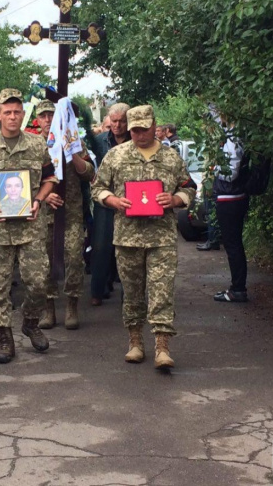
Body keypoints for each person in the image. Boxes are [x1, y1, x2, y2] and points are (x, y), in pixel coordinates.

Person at [92, 105, 195, 370]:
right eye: (134, 130)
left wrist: (175, 199)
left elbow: (190, 187)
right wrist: (113, 200)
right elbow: (97, 189)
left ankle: (162, 346)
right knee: (133, 294)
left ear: (154, 125)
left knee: (162, 291)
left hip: (161, 238)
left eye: (144, 129)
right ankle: (135, 342)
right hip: (128, 238)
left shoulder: (171, 158)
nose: (139, 134)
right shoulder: (115, 156)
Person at [0, 88, 57, 364]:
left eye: (17, 111)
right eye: (7, 112)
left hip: (31, 227)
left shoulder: (37, 145)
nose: (13, 116)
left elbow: (50, 178)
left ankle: (30, 322)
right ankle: (5, 338)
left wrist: (39, 200)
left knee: (39, 282)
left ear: (22, 114)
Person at [33, 99, 95, 330]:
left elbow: (89, 174)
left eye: (52, 115)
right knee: (44, 262)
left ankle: (72, 305)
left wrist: (74, 153)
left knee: (73, 259)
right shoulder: (33, 145)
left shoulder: (75, 142)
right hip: (44, 214)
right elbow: (23, 181)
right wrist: (44, 195)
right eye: (44, 116)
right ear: (37, 120)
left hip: (71, 215)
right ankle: (48, 307)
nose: (48, 120)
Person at [90, 103, 130, 306]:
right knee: (101, 246)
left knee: (129, 248)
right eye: (114, 121)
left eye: (122, 121)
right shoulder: (99, 141)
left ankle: (128, 294)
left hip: (129, 200)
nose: (117, 125)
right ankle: (97, 290)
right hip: (104, 199)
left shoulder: (136, 140)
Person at [211, 112, 249, 303]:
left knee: (233, 245)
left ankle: (238, 289)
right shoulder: (235, 134)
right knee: (234, 244)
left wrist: (216, 168)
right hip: (234, 196)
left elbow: (231, 172)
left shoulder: (233, 139)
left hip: (230, 197)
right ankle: (238, 287)